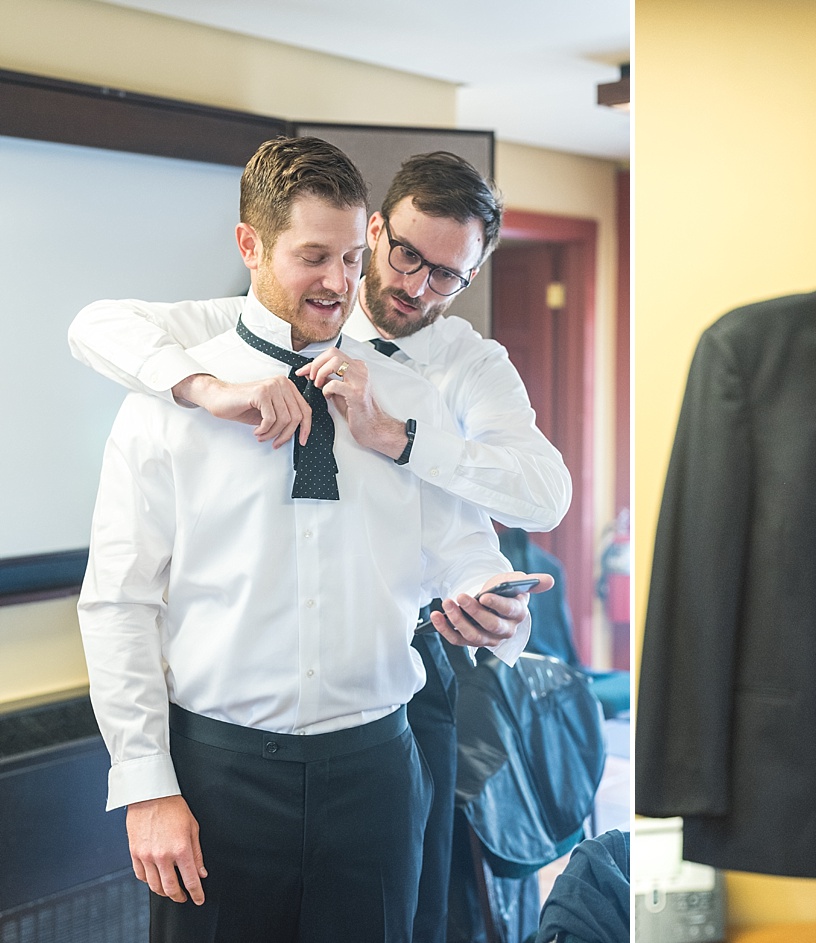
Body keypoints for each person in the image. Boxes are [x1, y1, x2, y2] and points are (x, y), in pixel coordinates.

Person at [68, 150, 568, 943]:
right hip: (218, 777)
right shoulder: (170, 400)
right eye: (313, 257)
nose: (340, 282)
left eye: (350, 260)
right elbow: (120, 602)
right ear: (251, 246)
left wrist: (489, 597)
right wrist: (145, 784)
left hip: (379, 774)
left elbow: (463, 545)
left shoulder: (405, 402)